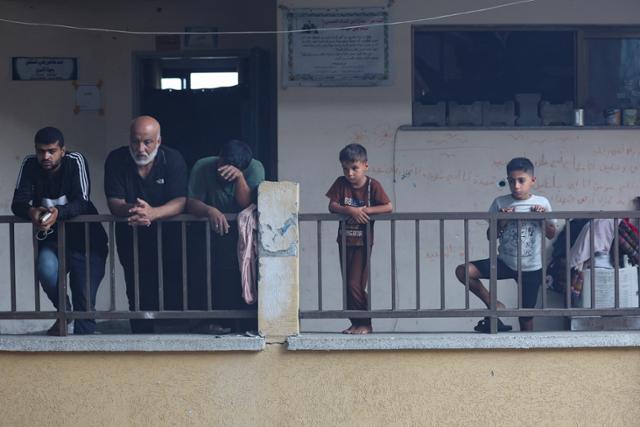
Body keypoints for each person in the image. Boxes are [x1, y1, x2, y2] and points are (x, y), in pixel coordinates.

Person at [12, 127, 108, 335]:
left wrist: (58, 213)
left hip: (88, 242)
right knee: (45, 269)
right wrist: (32, 212)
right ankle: (65, 313)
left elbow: (82, 201)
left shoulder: (75, 161)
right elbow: (18, 203)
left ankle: (84, 344)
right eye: (40, 151)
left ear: (62, 150)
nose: (45, 156)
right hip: (53, 240)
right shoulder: (30, 164)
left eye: (51, 151)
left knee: (84, 298)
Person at [104, 116, 187, 333]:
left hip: (169, 236)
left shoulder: (173, 159)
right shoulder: (116, 159)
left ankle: (175, 337)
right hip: (130, 235)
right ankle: (142, 338)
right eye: (135, 141)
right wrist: (137, 210)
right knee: (137, 286)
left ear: (158, 141)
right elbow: (115, 203)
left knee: (172, 282)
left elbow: (180, 201)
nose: (141, 148)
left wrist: (153, 213)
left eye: (147, 142)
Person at [455, 157, 556, 332]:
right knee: (463, 271)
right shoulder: (500, 202)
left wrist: (543, 219)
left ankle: (527, 353)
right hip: (504, 262)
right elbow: (490, 236)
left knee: (525, 318)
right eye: (511, 181)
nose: (516, 186)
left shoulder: (542, 203)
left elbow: (551, 234)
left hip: (531, 268)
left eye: (521, 181)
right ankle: (494, 303)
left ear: (532, 181)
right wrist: (501, 221)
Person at [187, 139, 265, 333]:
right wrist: (209, 210)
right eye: (222, 166)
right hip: (210, 233)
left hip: (245, 234)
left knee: (245, 275)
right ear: (218, 158)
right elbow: (190, 202)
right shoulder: (204, 166)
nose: (224, 173)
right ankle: (212, 322)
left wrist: (239, 178)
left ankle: (245, 326)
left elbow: (247, 204)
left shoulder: (255, 168)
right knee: (210, 274)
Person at [325, 144, 392, 334]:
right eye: (345, 169)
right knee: (347, 285)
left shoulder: (373, 186)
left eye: (354, 168)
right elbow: (332, 205)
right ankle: (355, 323)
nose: (350, 173)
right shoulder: (340, 183)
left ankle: (366, 323)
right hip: (344, 240)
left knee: (356, 284)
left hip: (363, 242)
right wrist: (350, 210)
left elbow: (388, 207)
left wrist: (365, 211)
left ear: (365, 166)